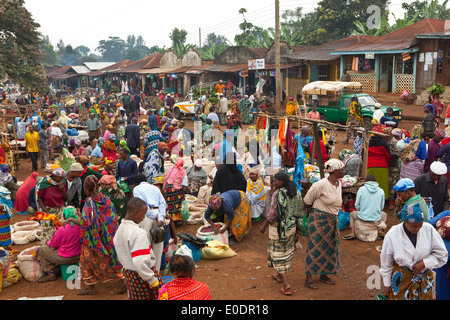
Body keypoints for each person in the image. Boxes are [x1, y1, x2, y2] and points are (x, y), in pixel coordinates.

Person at [380, 202, 448, 300]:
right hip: (402, 280)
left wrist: (425, 262)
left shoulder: (428, 229)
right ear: (405, 221)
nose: (417, 228)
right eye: (414, 225)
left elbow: (442, 255)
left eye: (420, 225)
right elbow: (386, 262)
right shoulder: (392, 234)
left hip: (424, 281)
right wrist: (386, 283)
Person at [71, 175, 125, 295]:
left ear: (86, 189)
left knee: (86, 261)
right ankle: (123, 279)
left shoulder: (89, 204)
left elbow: (85, 223)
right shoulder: (106, 199)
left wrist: (70, 219)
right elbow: (112, 217)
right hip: (109, 236)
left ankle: (91, 287)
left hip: (92, 239)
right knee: (112, 258)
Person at [303, 159, 344, 290]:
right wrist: (311, 212)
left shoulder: (339, 184)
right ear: (333, 171)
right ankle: (308, 277)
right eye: (341, 170)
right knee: (315, 247)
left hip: (332, 219)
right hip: (319, 219)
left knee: (329, 247)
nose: (344, 171)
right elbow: (307, 201)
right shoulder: (320, 185)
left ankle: (324, 274)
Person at [259, 172, 302, 296]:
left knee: (277, 254)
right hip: (291, 228)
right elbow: (299, 210)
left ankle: (285, 284)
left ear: (281, 182)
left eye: (275, 181)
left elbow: (273, 214)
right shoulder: (296, 191)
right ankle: (278, 275)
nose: (273, 183)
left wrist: (263, 226)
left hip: (278, 229)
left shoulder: (278, 194)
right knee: (286, 251)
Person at [113, 197, 163, 300]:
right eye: (143, 213)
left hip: (131, 276)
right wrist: (152, 280)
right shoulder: (138, 233)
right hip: (143, 277)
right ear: (135, 212)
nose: (144, 217)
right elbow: (140, 262)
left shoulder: (120, 230)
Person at [35, 207, 81, 283]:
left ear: (64, 216)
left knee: (42, 249)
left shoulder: (63, 228)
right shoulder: (82, 225)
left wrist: (48, 242)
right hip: (79, 256)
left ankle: (51, 273)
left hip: (67, 258)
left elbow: (53, 245)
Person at [133, 174, 167, 272]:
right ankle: (156, 272)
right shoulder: (155, 188)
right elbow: (162, 203)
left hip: (146, 216)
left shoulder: (137, 189)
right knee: (158, 244)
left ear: (136, 183)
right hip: (158, 215)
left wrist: (153, 215)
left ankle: (147, 272)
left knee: (146, 243)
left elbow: (142, 205)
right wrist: (160, 217)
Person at [342, 175, 387, 242]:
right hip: (376, 218)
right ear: (375, 182)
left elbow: (357, 205)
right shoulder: (381, 191)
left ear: (365, 181)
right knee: (384, 214)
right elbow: (381, 207)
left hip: (362, 217)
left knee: (352, 214)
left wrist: (362, 210)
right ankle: (380, 230)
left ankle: (352, 233)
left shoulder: (361, 189)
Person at [367, 126, 396, 200]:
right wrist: (395, 156)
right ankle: (382, 199)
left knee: (370, 183)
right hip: (382, 166)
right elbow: (389, 156)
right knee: (382, 184)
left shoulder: (368, 142)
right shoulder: (384, 143)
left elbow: (364, 154)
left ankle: (370, 198)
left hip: (370, 165)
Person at [163, 157, 187, 225]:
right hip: (175, 189)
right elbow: (184, 185)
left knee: (169, 204)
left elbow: (165, 178)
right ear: (182, 164)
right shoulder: (182, 171)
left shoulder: (170, 169)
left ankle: (170, 220)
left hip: (167, 188)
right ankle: (176, 221)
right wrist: (183, 196)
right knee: (176, 204)